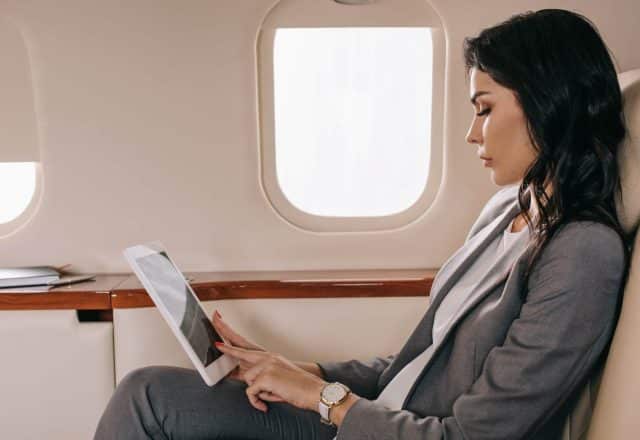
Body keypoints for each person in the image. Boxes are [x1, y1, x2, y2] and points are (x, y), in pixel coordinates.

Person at [94, 9, 631, 440]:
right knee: (147, 389)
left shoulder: (582, 254)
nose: (472, 134)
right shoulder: (506, 213)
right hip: (372, 416)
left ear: (547, 105)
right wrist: (294, 369)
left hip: (389, 430)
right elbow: (417, 365)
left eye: (485, 108)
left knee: (148, 399)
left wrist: (322, 399)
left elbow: (469, 433)